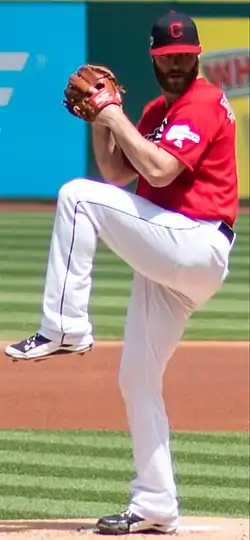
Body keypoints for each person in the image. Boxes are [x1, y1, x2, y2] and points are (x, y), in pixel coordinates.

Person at [5, 10, 238, 536]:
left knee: (76, 196)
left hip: (195, 242)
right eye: (165, 59)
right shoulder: (158, 109)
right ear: (153, 60)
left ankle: (65, 327)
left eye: (183, 57)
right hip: (174, 257)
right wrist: (101, 120)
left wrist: (113, 114)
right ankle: (156, 502)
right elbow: (116, 172)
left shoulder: (201, 104)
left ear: (197, 55)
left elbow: (158, 170)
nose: (175, 66)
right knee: (137, 378)